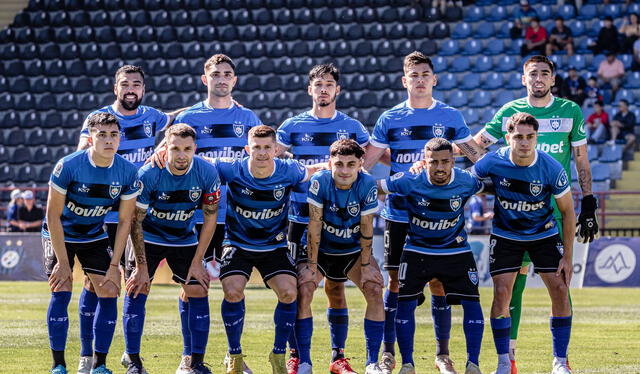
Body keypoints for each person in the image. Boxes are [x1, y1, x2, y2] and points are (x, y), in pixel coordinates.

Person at [473, 55, 597, 374]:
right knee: (512, 288)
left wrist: (590, 201)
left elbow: (581, 161)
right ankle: (509, 358)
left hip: (555, 211)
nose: (539, 78)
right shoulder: (509, 113)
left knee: (560, 284)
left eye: (545, 73)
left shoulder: (570, 111)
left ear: (553, 79)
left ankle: (560, 359)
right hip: (515, 215)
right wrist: (492, 183)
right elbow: (476, 146)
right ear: (523, 78)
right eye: (533, 73)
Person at [363, 51, 486, 374]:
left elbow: (476, 156)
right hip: (400, 213)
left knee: (440, 284)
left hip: (439, 215)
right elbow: (366, 164)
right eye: (413, 75)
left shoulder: (450, 116)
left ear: (434, 79)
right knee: (395, 283)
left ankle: (442, 354)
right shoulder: (390, 119)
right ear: (405, 81)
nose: (419, 80)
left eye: (424, 74)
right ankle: (389, 352)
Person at [159, 53, 262, 374]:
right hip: (196, 216)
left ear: (234, 80)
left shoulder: (248, 118)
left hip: (236, 216)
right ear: (206, 79)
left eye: (227, 73)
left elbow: (262, 156)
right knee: (192, 284)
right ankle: (189, 357)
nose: (221, 78)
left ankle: (235, 355)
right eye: (215, 73)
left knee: (234, 288)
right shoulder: (188, 116)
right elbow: (168, 151)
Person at [74, 64, 178, 373]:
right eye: (125, 84)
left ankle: (131, 355)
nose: (131, 88)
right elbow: (83, 149)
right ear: (115, 88)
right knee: (96, 283)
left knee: (136, 284)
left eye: (136, 84)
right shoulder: (99, 119)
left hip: (136, 215)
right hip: (103, 214)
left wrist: (162, 145)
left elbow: (179, 118)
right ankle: (86, 355)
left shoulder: (153, 117)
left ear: (143, 89)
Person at [275, 63, 370, 374]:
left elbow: (362, 168)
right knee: (301, 287)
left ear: (338, 90)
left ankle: (337, 357)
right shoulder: (291, 126)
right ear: (310, 89)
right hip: (299, 218)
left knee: (335, 288)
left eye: (329, 84)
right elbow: (273, 157)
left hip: (339, 220)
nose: (324, 89)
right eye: (318, 85)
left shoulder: (353, 127)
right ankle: (297, 356)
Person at [211, 125, 325, 374]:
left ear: (276, 149)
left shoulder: (289, 170)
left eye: (266, 148)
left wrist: (334, 166)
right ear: (246, 149)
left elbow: (313, 171)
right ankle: (234, 355)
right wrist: (164, 152)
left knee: (288, 292)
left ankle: (278, 354)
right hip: (237, 243)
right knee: (232, 292)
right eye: (256, 147)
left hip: (273, 245)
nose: (261, 153)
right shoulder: (232, 168)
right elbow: (200, 162)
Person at [472, 112, 575, 374]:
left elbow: (568, 212)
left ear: (537, 138)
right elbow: (465, 181)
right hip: (506, 236)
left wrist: (568, 258)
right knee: (502, 294)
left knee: (560, 290)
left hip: (544, 234)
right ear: (508, 138)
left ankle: (560, 362)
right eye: (519, 137)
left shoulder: (552, 167)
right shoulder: (492, 161)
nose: (525, 142)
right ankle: (504, 362)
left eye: (530, 137)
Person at [378, 138, 486, 374]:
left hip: (455, 250)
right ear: (423, 162)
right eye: (433, 162)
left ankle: (472, 364)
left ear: (453, 161)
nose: (439, 167)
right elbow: (375, 187)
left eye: (445, 162)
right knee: (403, 300)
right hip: (417, 250)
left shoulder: (466, 181)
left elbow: (493, 184)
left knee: (472, 301)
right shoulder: (410, 180)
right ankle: (407, 364)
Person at [43, 112, 140, 374]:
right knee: (61, 286)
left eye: (114, 135)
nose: (109, 140)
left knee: (109, 288)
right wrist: (63, 263)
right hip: (60, 233)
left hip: (93, 234)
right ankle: (59, 365)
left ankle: (99, 365)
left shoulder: (128, 171)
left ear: (120, 138)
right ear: (90, 138)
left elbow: (124, 222)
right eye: (102, 135)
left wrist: (113, 264)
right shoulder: (69, 165)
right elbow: (52, 216)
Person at [122, 124, 221, 374]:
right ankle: (133, 361)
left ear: (195, 149)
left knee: (198, 289)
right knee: (137, 287)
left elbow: (210, 219)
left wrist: (198, 261)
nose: (181, 155)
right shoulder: (148, 174)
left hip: (183, 238)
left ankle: (194, 362)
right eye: (175, 148)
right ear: (165, 147)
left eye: (187, 149)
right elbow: (136, 223)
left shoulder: (207, 172)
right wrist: (142, 267)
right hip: (148, 236)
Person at [297, 139, 384, 374]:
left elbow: (367, 227)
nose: (344, 170)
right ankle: (303, 361)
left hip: (352, 252)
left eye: (350, 164)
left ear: (361, 164)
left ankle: (370, 363)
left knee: (375, 288)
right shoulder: (320, 181)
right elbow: (314, 225)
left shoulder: (367, 184)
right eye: (339, 164)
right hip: (323, 250)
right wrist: (312, 265)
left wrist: (366, 266)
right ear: (330, 163)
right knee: (304, 288)